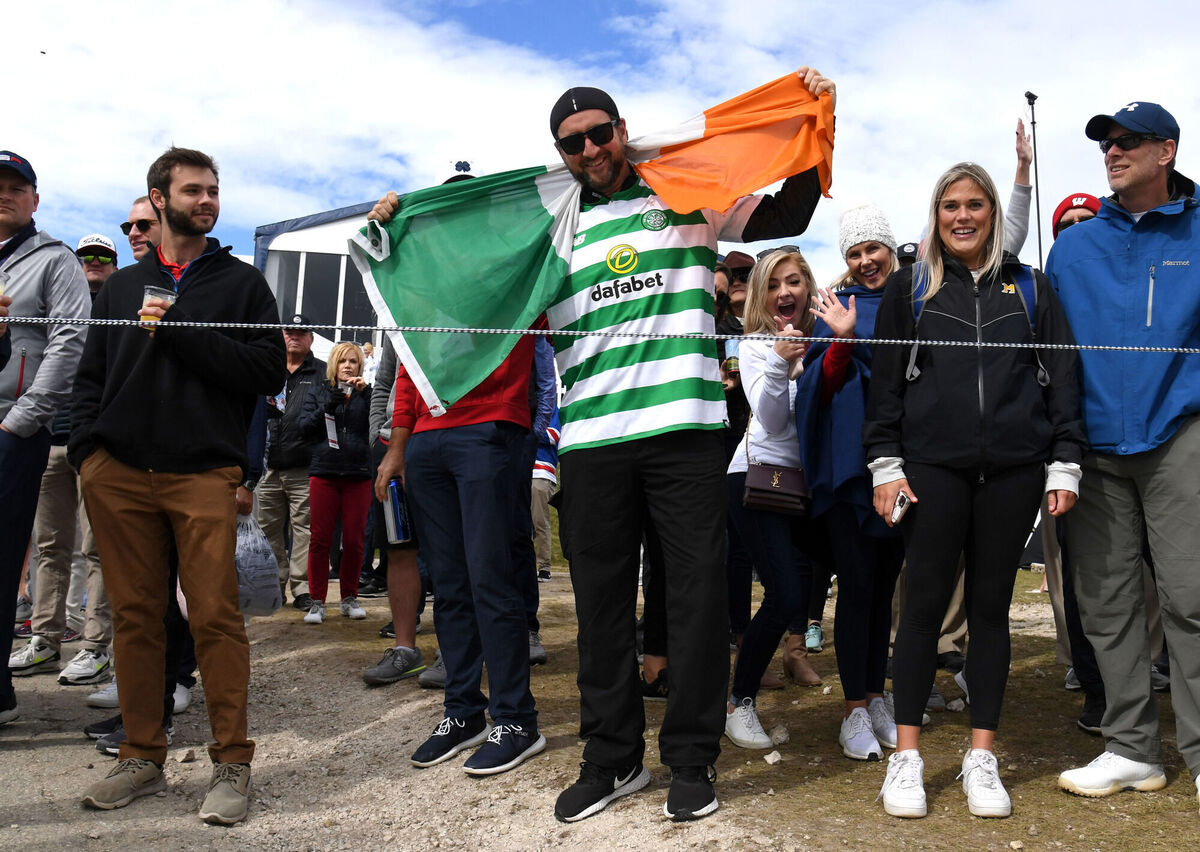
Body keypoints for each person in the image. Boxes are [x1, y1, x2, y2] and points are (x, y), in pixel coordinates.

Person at [546, 70, 835, 823]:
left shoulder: (684, 182)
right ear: (561, 152)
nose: (590, 151)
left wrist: (808, 121)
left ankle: (691, 760)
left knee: (700, 600)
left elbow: (786, 211)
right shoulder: (549, 218)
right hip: (592, 438)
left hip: (685, 432)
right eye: (573, 143)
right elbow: (463, 269)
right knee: (602, 608)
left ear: (621, 129)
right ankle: (611, 760)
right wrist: (395, 221)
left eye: (600, 133)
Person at [70, 146, 285, 824]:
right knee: (134, 619)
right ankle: (142, 756)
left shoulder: (242, 284)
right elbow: (90, 378)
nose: (207, 200)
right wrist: (88, 455)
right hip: (121, 475)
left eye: (213, 189)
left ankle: (232, 763)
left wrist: (185, 331)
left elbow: (267, 372)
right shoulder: (124, 287)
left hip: (203, 474)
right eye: (193, 189)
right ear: (158, 199)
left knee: (216, 617)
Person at [865, 161, 1085, 819]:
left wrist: (1066, 460)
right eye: (950, 206)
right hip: (932, 471)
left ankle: (980, 758)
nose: (962, 217)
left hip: (1016, 471)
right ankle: (906, 756)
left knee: (991, 610)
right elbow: (885, 391)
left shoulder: (1033, 288)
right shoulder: (912, 289)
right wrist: (884, 465)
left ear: (994, 213)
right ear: (936, 216)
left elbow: (1064, 379)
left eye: (975, 205)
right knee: (925, 607)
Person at [1048, 101, 1200, 811]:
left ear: (1166, 150)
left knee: (1192, 600)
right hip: (1094, 450)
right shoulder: (1074, 247)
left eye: (1129, 141)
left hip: (1180, 434)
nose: (1113, 151)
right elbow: (1045, 349)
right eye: (1107, 142)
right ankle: (1133, 750)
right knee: (1104, 606)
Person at [796, 204, 906, 761]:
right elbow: (815, 387)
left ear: (891, 247)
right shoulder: (834, 307)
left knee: (885, 589)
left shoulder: (915, 301)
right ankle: (853, 711)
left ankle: (876, 693)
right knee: (858, 587)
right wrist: (841, 339)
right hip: (848, 472)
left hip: (902, 469)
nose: (865, 262)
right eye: (855, 253)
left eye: (873, 250)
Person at [0, 151, 92, 727]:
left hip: (14, 425)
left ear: (35, 199)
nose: (5, 195)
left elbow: (68, 341)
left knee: (8, 555)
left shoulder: (55, 261)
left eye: (16, 187)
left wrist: (23, 419)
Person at [9, 235, 118, 688]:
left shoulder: (122, 307)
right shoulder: (55, 300)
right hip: (48, 436)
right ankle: (46, 639)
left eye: (103, 257)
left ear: (113, 265)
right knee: (48, 546)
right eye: (85, 256)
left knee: (97, 547)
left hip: (95, 443)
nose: (93, 262)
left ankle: (95, 646)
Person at [722, 249, 817, 750]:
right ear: (762, 295)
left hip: (806, 482)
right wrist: (782, 362)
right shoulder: (758, 345)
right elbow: (773, 420)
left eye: (795, 281)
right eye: (775, 283)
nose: (785, 292)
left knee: (798, 593)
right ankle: (740, 702)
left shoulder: (824, 335)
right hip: (756, 479)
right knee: (783, 595)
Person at [299, 341, 373, 624]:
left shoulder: (367, 394)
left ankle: (349, 597)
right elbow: (305, 429)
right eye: (342, 361)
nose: (347, 366)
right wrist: (326, 407)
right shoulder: (319, 391)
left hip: (357, 474)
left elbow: (375, 426)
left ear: (360, 365)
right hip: (325, 472)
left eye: (353, 361)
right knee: (320, 539)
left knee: (354, 540)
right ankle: (317, 601)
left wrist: (365, 396)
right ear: (333, 364)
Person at [259, 314, 324, 609]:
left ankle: (303, 589)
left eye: (301, 332)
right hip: (267, 463)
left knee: (305, 529)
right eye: (289, 332)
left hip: (304, 463)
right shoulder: (266, 368)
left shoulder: (322, 372)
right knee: (267, 529)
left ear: (311, 338)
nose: (294, 337)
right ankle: (273, 587)